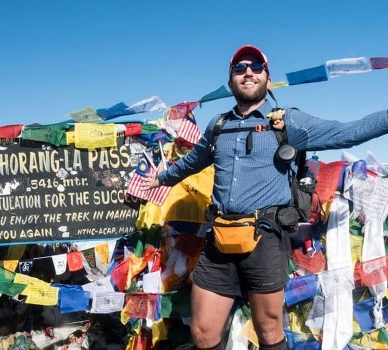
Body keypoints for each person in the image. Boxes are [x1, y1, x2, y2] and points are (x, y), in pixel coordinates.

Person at [140, 44, 388, 350]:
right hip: (218, 240)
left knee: (269, 330)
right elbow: (193, 162)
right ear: (231, 80)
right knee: (203, 333)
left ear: (267, 79)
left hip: (265, 239)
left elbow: (348, 132)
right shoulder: (218, 125)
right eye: (239, 68)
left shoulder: (286, 122)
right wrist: (160, 178)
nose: (248, 72)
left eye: (256, 67)